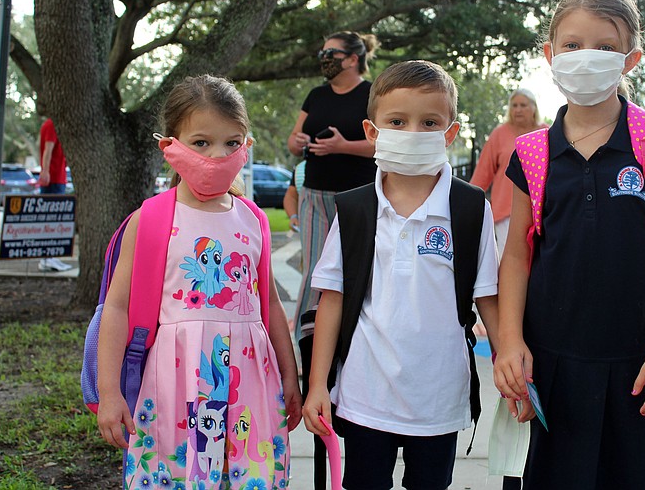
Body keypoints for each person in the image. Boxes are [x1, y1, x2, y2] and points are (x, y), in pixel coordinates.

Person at [494, 0, 645, 489]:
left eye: (605, 46)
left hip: (636, 365)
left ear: (630, 58)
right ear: (550, 53)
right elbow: (517, 256)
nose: (587, 56)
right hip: (551, 368)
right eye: (572, 44)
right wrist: (511, 342)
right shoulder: (532, 153)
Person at [96, 75, 302, 489]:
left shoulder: (253, 219)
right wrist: (109, 392)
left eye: (232, 142)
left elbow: (271, 306)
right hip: (176, 383)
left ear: (246, 145)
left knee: (250, 477)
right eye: (201, 142)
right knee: (178, 476)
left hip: (252, 382)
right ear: (170, 145)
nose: (218, 155)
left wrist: (290, 376)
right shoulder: (150, 219)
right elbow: (116, 308)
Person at [302, 60, 501, 490]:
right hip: (364, 395)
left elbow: (487, 296)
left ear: (450, 133)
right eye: (397, 121)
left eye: (429, 122)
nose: (413, 133)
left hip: (438, 399)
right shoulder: (354, 209)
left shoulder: (469, 208)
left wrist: (508, 367)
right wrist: (318, 384)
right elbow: (332, 299)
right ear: (372, 131)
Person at [286, 31, 379, 339]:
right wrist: (297, 142)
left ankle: (350, 343)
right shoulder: (316, 95)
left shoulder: (372, 95)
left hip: (357, 197)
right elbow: (293, 142)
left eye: (331, 55)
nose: (324, 60)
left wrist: (342, 146)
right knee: (314, 271)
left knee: (354, 271)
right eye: (322, 54)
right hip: (314, 195)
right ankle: (306, 347)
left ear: (353, 59)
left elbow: (383, 144)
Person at [470, 88, 547, 256]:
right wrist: (467, 202)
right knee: (510, 258)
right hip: (506, 211)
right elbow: (483, 173)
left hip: (542, 211)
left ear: (534, 108)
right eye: (514, 105)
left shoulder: (547, 133)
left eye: (523, 105)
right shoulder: (499, 134)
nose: (518, 109)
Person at [38, 115, 72, 272]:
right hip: (53, 179)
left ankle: (50, 257)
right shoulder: (52, 124)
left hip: (58, 178)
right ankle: (46, 258)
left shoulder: (53, 124)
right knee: (50, 218)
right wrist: (45, 172)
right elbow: (48, 149)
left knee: (53, 218)